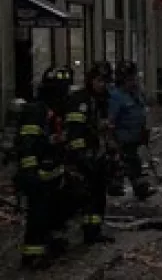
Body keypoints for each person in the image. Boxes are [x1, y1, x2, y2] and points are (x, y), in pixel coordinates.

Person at [63, 64, 116, 244]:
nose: (102, 84)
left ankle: (95, 230)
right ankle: (88, 231)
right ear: (90, 80)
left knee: (99, 194)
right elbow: (74, 131)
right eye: (99, 80)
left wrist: (110, 147)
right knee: (87, 196)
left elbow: (103, 126)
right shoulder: (80, 100)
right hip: (84, 156)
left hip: (98, 154)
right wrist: (80, 155)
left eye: (105, 81)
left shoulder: (103, 99)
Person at [13, 95, 67, 269]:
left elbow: (39, 146)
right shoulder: (35, 119)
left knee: (42, 216)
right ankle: (33, 255)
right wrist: (34, 175)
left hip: (41, 180)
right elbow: (29, 150)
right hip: (35, 181)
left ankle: (39, 251)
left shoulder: (40, 121)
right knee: (37, 217)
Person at [108, 62, 156, 200]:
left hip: (135, 137)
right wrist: (112, 139)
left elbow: (142, 111)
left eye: (134, 78)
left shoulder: (135, 94)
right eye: (130, 79)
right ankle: (118, 187)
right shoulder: (116, 97)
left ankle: (138, 188)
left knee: (133, 164)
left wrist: (144, 131)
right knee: (127, 164)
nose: (133, 82)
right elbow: (111, 120)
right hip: (122, 138)